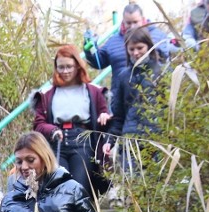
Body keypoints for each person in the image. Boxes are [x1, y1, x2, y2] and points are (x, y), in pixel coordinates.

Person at [33, 44, 111, 195]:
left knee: (79, 189)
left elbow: (104, 113)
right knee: (59, 189)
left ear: (77, 66)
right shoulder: (47, 93)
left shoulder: (93, 91)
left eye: (69, 66)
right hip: (56, 142)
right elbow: (39, 124)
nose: (65, 71)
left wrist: (104, 116)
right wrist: (53, 130)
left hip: (82, 142)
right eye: (61, 67)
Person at [107, 26, 164, 175]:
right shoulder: (123, 76)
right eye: (131, 49)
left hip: (157, 140)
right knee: (132, 188)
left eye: (140, 48)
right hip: (130, 140)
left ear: (149, 46)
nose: (136, 53)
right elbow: (118, 115)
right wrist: (110, 140)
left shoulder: (163, 73)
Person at [84, 3, 171, 81]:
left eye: (135, 22)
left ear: (142, 19)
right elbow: (99, 63)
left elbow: (165, 61)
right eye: (128, 23)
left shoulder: (158, 37)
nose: (132, 26)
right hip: (122, 93)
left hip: (152, 90)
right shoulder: (113, 41)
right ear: (123, 21)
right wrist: (91, 48)